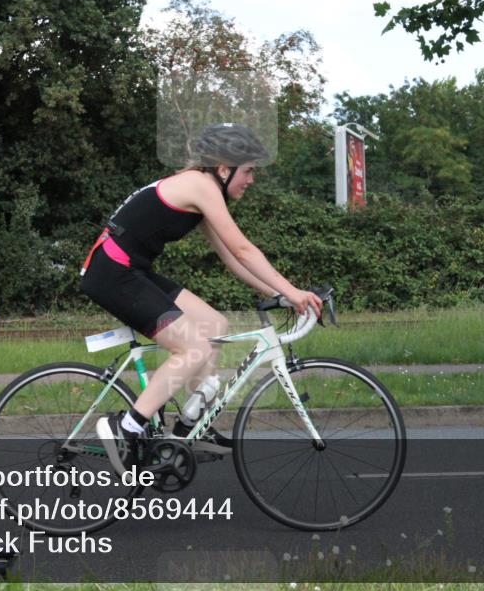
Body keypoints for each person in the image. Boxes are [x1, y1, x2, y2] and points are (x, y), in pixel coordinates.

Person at [80, 122, 323, 474]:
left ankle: (190, 426)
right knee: (192, 347)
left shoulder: (205, 190)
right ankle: (126, 428)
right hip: (113, 273)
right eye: (248, 171)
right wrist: (294, 292)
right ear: (223, 169)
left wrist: (279, 295)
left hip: (132, 269)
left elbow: (231, 258)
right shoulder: (200, 185)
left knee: (214, 324)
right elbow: (243, 250)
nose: (252, 180)